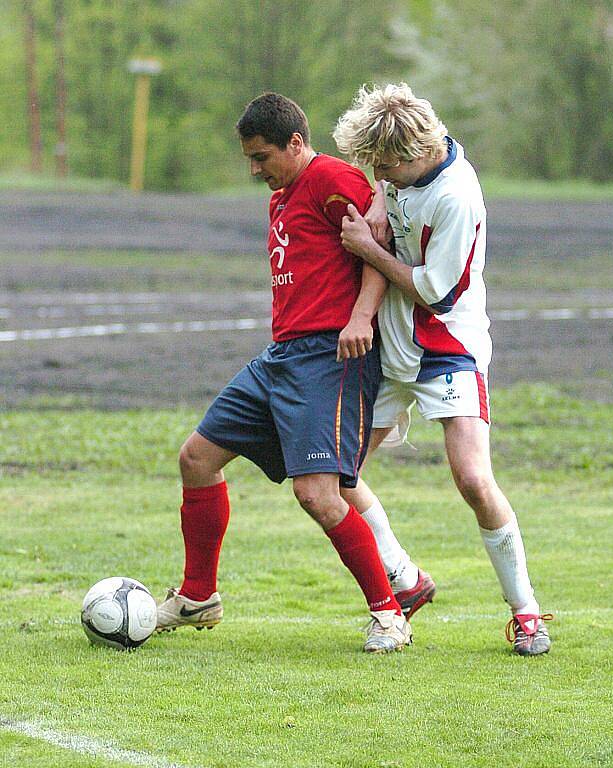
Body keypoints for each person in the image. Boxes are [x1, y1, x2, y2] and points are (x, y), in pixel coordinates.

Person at [156, 92, 433, 653]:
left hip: (330, 358)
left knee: (319, 494)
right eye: (249, 160)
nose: (255, 170)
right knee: (197, 459)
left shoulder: (333, 180)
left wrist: (360, 317)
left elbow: (377, 249)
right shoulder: (283, 193)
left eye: (262, 157)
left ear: (296, 143)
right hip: (281, 357)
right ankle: (198, 596)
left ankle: (389, 614)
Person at [333, 83, 553, 656]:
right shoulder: (406, 159)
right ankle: (406, 580)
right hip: (391, 345)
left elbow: (438, 294)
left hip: (447, 345)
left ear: (411, 155)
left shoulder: (456, 196)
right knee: (339, 472)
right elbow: (386, 197)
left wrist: (366, 247)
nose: (378, 174)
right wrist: (379, 201)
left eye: (383, 168)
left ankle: (526, 612)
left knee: (474, 481)